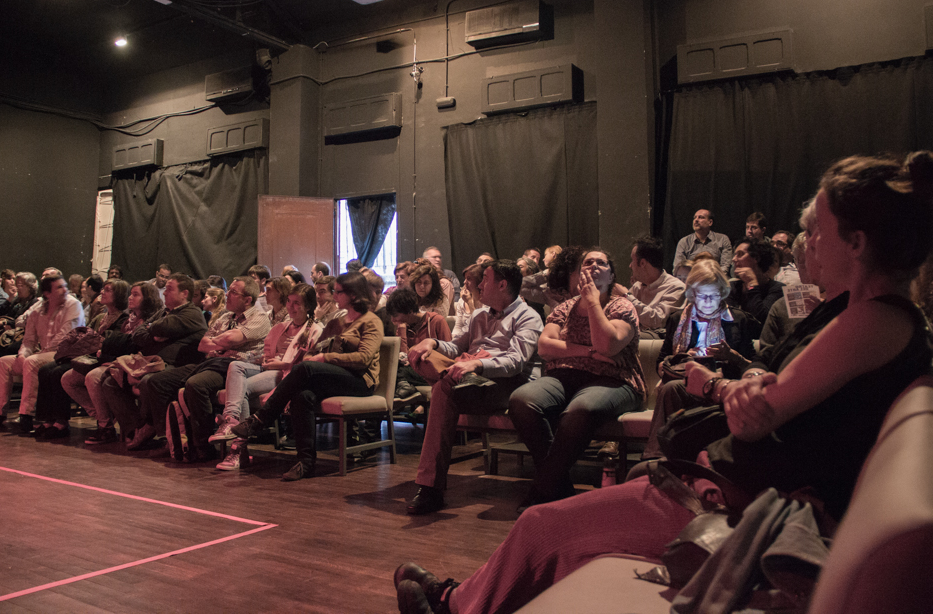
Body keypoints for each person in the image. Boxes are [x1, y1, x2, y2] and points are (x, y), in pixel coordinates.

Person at [393, 152, 933, 614]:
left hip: (737, 502)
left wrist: (720, 387)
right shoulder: (858, 313)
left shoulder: (877, 319)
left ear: (857, 242)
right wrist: (750, 380)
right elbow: (773, 381)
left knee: (543, 523)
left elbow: (758, 415)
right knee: (550, 502)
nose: (805, 242)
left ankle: (453, 604)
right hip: (726, 485)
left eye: (817, 231)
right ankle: (463, 596)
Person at [404, 259, 544, 515]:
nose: (478, 285)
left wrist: (478, 364)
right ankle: (430, 487)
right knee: (432, 367)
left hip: (509, 384)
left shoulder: (528, 317)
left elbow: (516, 362)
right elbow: (456, 346)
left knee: (443, 386)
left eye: (484, 280)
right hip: (473, 378)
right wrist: (433, 343)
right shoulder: (479, 315)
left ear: (502, 285)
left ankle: (430, 487)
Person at [509, 248, 645, 508]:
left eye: (601, 263)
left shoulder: (621, 306)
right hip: (564, 375)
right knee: (522, 400)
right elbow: (545, 347)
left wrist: (593, 302)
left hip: (615, 380)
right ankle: (557, 486)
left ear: (611, 275)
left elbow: (608, 345)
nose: (593, 266)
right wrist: (589, 352)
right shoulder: (565, 308)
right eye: (587, 262)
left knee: (579, 410)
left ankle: (543, 490)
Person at [231, 271, 384, 481]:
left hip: (360, 381)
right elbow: (314, 351)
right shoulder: (336, 322)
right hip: (333, 378)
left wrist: (325, 358)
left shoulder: (371, 321)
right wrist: (316, 357)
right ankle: (305, 462)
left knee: (305, 368)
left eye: (338, 292)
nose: (333, 295)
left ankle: (260, 419)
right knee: (302, 396)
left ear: (354, 295)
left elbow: (364, 359)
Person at [132, 275, 271, 457]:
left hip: (234, 367)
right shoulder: (225, 317)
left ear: (247, 300)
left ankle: (203, 446)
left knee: (196, 384)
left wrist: (219, 342)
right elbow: (203, 345)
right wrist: (222, 342)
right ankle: (170, 437)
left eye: (233, 292)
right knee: (157, 381)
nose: (227, 294)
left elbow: (230, 338)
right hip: (211, 363)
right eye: (229, 291)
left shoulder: (259, 318)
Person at [641, 259, 757, 459]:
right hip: (687, 386)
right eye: (703, 296)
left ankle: (659, 458)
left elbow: (753, 366)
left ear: (722, 293)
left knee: (671, 390)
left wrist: (731, 356)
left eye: (714, 295)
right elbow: (661, 363)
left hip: (724, 386)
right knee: (671, 388)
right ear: (693, 294)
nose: (709, 302)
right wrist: (684, 358)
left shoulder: (738, 320)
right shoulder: (677, 319)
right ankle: (660, 458)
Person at [211, 283, 324, 470]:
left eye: (297, 303)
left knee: (242, 389)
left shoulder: (315, 330)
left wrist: (281, 364)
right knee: (236, 365)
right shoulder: (282, 327)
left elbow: (306, 367)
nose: (291, 306)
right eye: (289, 301)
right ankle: (231, 419)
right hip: (270, 369)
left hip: (287, 375)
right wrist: (265, 359)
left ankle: (238, 450)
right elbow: (269, 353)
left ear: (308, 306)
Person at [104, 274, 206, 445]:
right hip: (153, 363)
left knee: (149, 381)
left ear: (184, 294)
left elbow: (161, 327)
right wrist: (153, 334)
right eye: (165, 289)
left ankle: (155, 430)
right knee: (111, 381)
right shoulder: (164, 312)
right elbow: (138, 334)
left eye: (169, 289)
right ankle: (135, 428)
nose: (164, 293)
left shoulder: (192, 313)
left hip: (178, 366)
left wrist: (151, 328)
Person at [0, 276, 84, 433]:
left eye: (64, 286)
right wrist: (22, 354)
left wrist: (34, 355)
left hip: (64, 354)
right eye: (59, 287)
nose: (65, 290)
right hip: (43, 354)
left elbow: (65, 337)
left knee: (32, 362)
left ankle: (26, 415)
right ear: (47, 293)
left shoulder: (73, 305)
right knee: (3, 363)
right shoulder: (37, 310)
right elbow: (28, 340)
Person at [62, 280, 164, 445]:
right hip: (116, 361)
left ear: (147, 298)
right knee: (68, 378)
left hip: (134, 365)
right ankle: (105, 416)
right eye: (131, 294)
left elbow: (133, 348)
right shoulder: (128, 320)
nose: (130, 297)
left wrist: (106, 352)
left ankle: (106, 427)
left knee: (93, 377)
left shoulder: (149, 322)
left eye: (136, 295)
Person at [33, 279, 131, 440]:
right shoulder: (101, 316)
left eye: (107, 290)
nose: (102, 292)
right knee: (46, 370)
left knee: (58, 373)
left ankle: (61, 422)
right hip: (86, 356)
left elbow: (111, 344)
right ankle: (49, 419)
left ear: (118, 295)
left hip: (99, 359)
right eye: (103, 289)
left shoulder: (123, 319)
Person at [610, 235, 686, 338]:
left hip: (657, 338)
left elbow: (658, 321)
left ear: (642, 263)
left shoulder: (676, 287)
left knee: (621, 338)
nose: (630, 265)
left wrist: (626, 295)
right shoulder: (638, 286)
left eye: (632, 260)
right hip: (637, 335)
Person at [386, 287, 451, 400]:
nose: (392, 320)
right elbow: (403, 355)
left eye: (395, 315)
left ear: (410, 311)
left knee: (396, 372)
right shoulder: (403, 326)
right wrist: (402, 331)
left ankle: (404, 386)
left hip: (434, 370)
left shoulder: (436, 321)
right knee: (390, 367)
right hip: (412, 369)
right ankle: (404, 385)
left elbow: (450, 352)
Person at [729, 237, 785, 333]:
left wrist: (752, 284)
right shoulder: (732, 286)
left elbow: (760, 321)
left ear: (757, 258)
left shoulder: (777, 289)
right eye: (735, 255)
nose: (734, 259)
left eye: (740, 254)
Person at [673, 208, 733, 272]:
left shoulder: (722, 239)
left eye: (701, 217)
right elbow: (678, 267)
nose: (696, 220)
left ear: (710, 222)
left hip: (715, 276)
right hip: (691, 276)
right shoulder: (684, 242)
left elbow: (725, 266)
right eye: (694, 218)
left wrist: (715, 277)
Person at [452, 263, 488, 340]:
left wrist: (469, 302)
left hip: (480, 339)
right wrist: (453, 340)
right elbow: (458, 326)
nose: (465, 282)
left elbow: (479, 326)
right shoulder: (462, 301)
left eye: (469, 279)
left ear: (479, 280)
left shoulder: (487, 302)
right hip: (463, 339)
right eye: (465, 278)